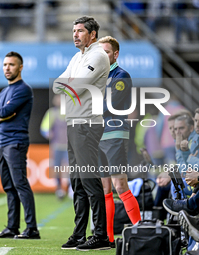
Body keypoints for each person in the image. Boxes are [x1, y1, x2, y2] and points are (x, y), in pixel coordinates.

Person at [53, 16, 110, 251]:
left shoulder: (97, 55)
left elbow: (72, 86)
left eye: (80, 31)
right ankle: (79, 234)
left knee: (89, 181)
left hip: (87, 124)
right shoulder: (78, 56)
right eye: (73, 30)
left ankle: (100, 236)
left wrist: (69, 83)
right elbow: (58, 85)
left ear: (93, 34)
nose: (75, 35)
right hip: (75, 123)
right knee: (77, 182)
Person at [0, 51, 40, 239]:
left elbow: (6, 110)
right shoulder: (4, 91)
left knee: (20, 184)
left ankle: (32, 228)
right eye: (5, 65)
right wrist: (0, 114)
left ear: (20, 67)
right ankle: (12, 227)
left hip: (15, 142)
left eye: (11, 65)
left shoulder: (23, 89)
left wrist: (0, 113)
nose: (7, 68)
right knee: (9, 186)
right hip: (2, 143)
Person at [97, 36, 141, 247]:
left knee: (120, 184)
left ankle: (141, 232)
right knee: (104, 189)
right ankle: (108, 238)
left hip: (114, 136)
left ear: (115, 54)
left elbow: (110, 105)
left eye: (105, 52)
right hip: (97, 137)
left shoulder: (122, 75)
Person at [40, 94, 68, 200]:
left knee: (71, 168)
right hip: (56, 145)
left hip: (69, 146)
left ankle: (70, 189)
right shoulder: (51, 113)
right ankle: (59, 188)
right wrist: (47, 133)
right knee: (57, 167)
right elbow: (44, 128)